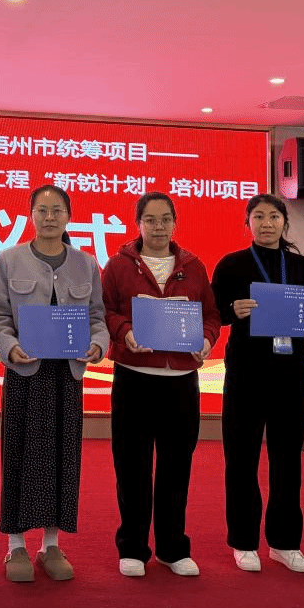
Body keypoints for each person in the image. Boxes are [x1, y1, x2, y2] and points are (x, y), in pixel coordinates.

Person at [0, 184, 109, 583]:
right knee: (19, 456)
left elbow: (97, 318)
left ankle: (51, 544)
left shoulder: (86, 264)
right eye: (42, 210)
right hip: (25, 373)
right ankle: (15, 545)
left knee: (63, 456)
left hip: (66, 376)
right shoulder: (10, 259)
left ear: (69, 216)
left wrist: (97, 345)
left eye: (57, 210)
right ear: (32, 215)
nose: (50, 217)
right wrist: (10, 348)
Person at [100, 191, 219, 578]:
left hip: (181, 382)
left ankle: (172, 547)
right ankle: (132, 547)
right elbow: (105, 310)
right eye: (150, 220)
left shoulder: (194, 266)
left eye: (165, 219)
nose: (158, 226)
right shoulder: (118, 265)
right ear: (138, 224)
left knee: (176, 467)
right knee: (131, 466)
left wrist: (206, 340)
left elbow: (211, 314)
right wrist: (125, 331)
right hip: (134, 378)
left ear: (174, 223)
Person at [211, 193, 304, 575]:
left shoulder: (299, 265)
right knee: (241, 460)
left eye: (273, 216)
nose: (266, 223)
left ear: (284, 223)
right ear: (247, 223)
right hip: (246, 375)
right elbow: (212, 314)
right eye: (258, 216)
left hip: (290, 375)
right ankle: (244, 542)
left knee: (287, 461)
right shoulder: (232, 264)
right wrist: (232, 310)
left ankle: (284, 542)